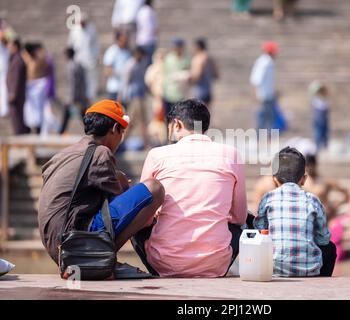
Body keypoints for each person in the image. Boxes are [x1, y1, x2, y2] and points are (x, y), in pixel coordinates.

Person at [38, 99, 165, 276]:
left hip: (58, 246)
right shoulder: (100, 153)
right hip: (74, 243)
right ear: (114, 129)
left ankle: (90, 259)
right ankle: (100, 258)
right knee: (154, 189)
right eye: (122, 133)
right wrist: (121, 180)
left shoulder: (64, 154)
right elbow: (125, 201)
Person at [135, 99, 248, 277]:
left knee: (136, 217)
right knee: (245, 223)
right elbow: (239, 217)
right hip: (216, 264)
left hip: (163, 263)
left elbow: (144, 214)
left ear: (176, 124)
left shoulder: (157, 155)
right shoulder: (232, 154)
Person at [254, 146, 336, 277]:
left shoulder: (268, 198)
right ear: (304, 179)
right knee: (331, 248)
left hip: (273, 269)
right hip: (309, 270)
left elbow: (261, 230)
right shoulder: (313, 200)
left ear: (274, 179)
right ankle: (322, 280)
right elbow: (324, 239)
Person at [120, 46, 149, 148]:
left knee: (140, 120)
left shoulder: (141, 63)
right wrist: (122, 96)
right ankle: (123, 141)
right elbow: (125, 82)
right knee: (137, 120)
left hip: (141, 95)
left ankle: (124, 141)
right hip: (134, 96)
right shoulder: (130, 65)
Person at [67, 12, 100, 101]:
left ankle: (90, 97)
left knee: (91, 80)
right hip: (78, 60)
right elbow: (71, 44)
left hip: (90, 59)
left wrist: (96, 56)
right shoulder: (74, 30)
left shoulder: (91, 29)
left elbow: (95, 44)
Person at [59, 47, 88, 134]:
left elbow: (73, 83)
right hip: (80, 94)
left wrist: (72, 97)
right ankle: (89, 130)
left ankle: (61, 131)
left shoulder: (71, 66)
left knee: (71, 113)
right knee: (81, 113)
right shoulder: (79, 65)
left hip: (74, 95)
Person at [22, 42, 49, 133]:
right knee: (29, 109)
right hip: (30, 84)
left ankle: (38, 128)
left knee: (39, 109)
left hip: (38, 84)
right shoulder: (27, 58)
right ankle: (31, 127)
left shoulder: (39, 59)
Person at [250, 41, 278, 131]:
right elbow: (256, 79)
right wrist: (255, 93)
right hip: (264, 94)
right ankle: (261, 137)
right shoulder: (265, 62)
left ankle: (265, 136)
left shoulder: (266, 61)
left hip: (267, 94)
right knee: (265, 117)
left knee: (268, 116)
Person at [162, 38, 190, 117]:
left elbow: (189, 74)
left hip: (181, 94)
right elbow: (164, 74)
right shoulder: (169, 58)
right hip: (168, 93)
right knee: (168, 117)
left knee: (179, 117)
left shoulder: (186, 59)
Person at [6, 37, 29, 135]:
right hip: (15, 94)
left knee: (17, 118)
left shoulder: (18, 60)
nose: (8, 47)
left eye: (10, 45)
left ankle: (19, 139)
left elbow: (16, 78)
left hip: (16, 95)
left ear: (15, 46)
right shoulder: (16, 59)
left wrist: (12, 93)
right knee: (16, 117)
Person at [144, 48, 166, 145]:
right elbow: (148, 83)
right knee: (157, 118)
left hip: (166, 97)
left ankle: (163, 139)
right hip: (156, 97)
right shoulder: (152, 69)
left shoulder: (166, 68)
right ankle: (156, 140)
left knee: (164, 119)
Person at [190, 38, 219, 108]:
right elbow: (216, 75)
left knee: (197, 116)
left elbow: (197, 75)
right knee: (206, 115)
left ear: (197, 47)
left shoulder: (199, 58)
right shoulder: (210, 58)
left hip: (199, 91)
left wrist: (189, 80)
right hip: (208, 90)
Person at [103, 31, 132, 101]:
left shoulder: (128, 52)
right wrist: (120, 73)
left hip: (125, 89)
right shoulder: (112, 51)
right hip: (114, 88)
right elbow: (107, 70)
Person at [136, 0, 158, 67]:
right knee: (149, 64)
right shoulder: (150, 12)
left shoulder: (140, 11)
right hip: (149, 41)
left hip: (140, 40)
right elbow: (151, 28)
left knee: (142, 63)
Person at [309, 80, 330, 150]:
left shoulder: (324, 100)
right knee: (318, 134)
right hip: (319, 120)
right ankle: (317, 147)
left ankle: (324, 147)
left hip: (324, 121)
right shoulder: (316, 100)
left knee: (324, 134)